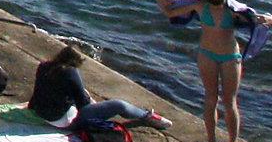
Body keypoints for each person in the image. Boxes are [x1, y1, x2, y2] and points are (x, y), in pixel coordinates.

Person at [156, 0, 272, 142]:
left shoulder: (233, 11)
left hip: (231, 57)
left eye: (220, 3)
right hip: (207, 55)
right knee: (211, 98)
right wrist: (171, 0)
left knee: (230, 101)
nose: (218, 6)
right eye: (214, 3)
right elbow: (167, 9)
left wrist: (267, 18)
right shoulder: (199, 6)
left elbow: (266, 21)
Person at [30, 45, 172, 134]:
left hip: (38, 111)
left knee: (74, 93)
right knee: (119, 105)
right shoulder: (70, 72)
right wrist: (90, 100)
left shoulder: (44, 66)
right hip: (59, 120)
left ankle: (146, 115)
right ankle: (146, 115)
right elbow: (83, 106)